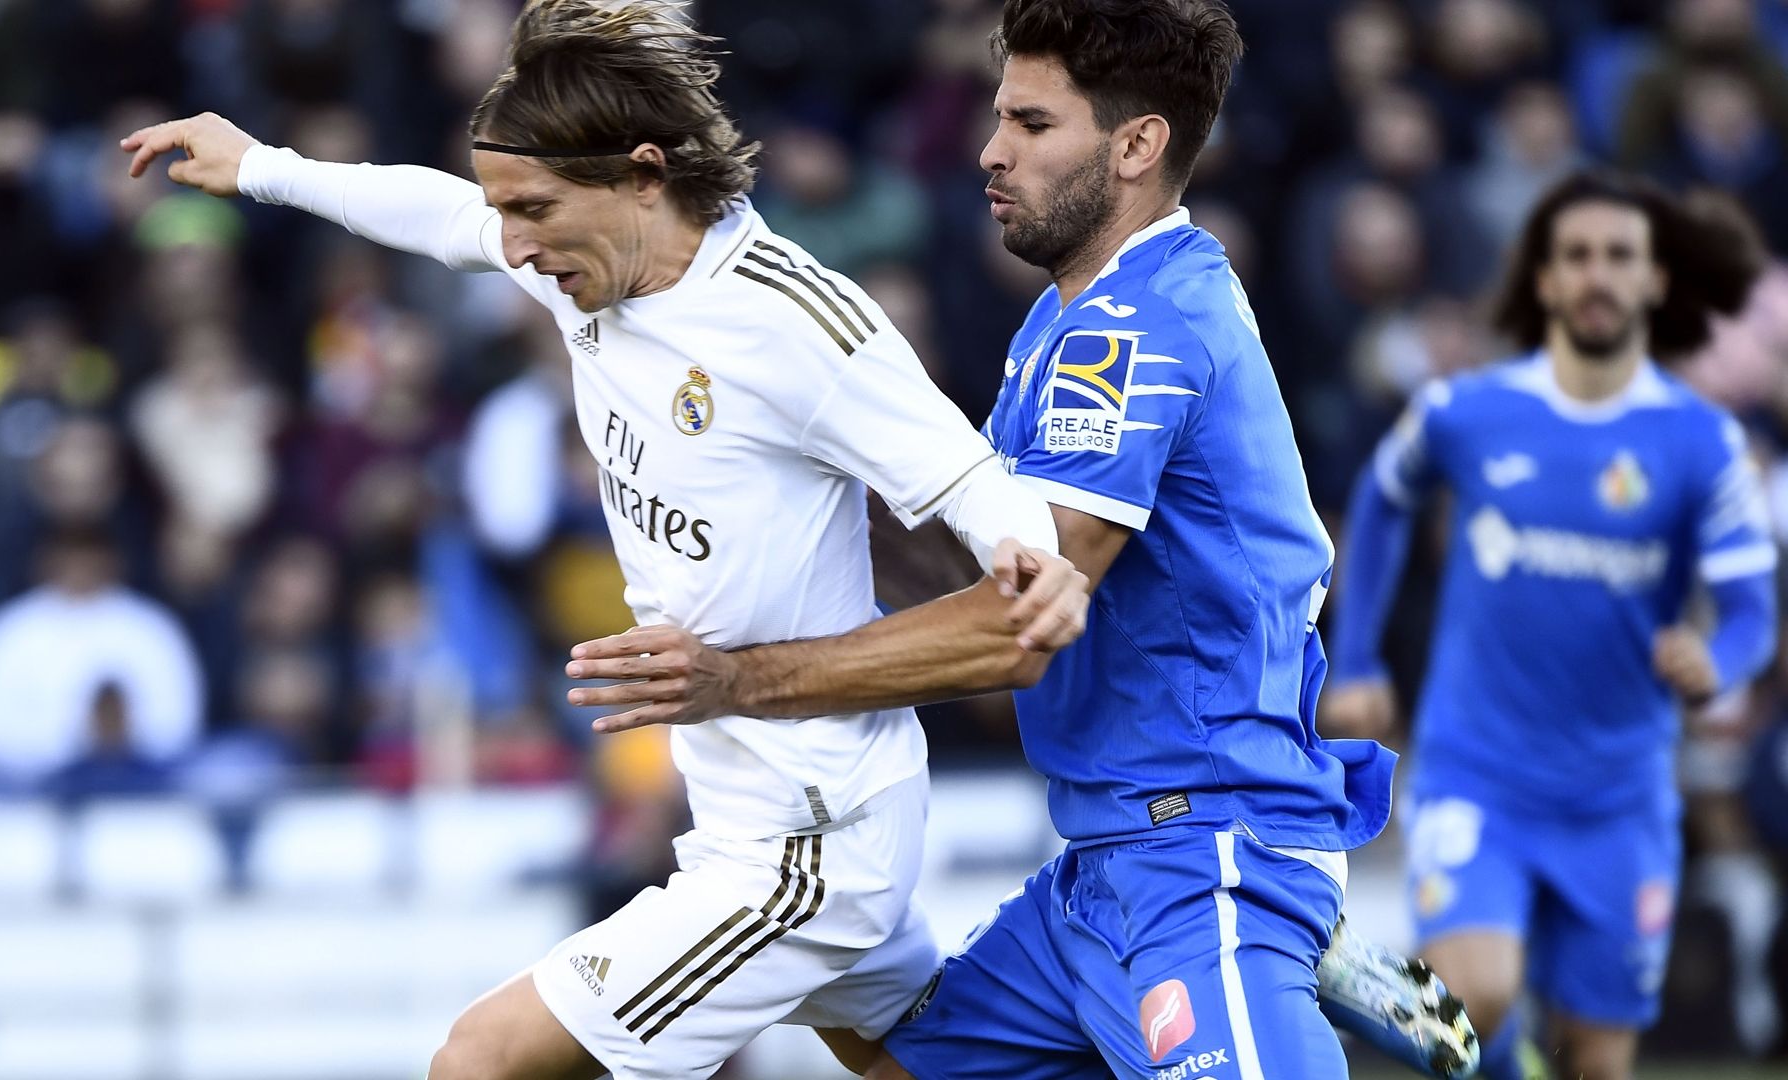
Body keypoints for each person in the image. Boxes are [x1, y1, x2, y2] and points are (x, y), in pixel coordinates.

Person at [120, 2, 1090, 1078]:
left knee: (476, 1059)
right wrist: (263, 166)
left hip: (808, 842)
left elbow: (965, 477)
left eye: (532, 209)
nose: (515, 243)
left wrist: (1032, 560)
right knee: (913, 1064)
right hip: (745, 808)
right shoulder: (580, 257)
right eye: (508, 211)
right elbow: (443, 216)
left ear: (641, 175)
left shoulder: (796, 323)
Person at [566, 1, 1475, 1077]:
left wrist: (741, 679)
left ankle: (1268, 941)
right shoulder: (1066, 318)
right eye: (1001, 117)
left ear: (1138, 145)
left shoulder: (1133, 335)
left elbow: (1018, 624)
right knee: (895, 1058)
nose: (991, 150)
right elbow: (983, 557)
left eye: (1033, 125)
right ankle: (1286, 956)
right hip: (1104, 861)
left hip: (1203, 850)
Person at [1320, 170, 1776, 1080]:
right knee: (1469, 998)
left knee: (1596, 1064)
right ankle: (1490, 1051)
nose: (1597, 275)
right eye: (1576, 257)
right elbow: (1381, 497)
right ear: (1544, 281)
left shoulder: (1700, 442)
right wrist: (1359, 655)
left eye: (1619, 257)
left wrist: (1714, 660)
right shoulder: (1469, 411)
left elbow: (1753, 608)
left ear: (1653, 281)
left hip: (1621, 793)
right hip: (1478, 773)